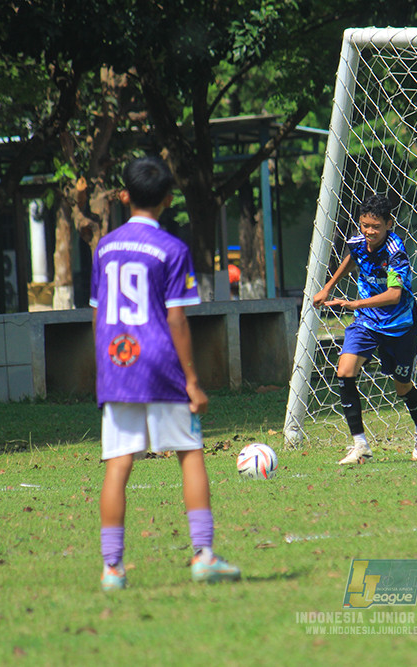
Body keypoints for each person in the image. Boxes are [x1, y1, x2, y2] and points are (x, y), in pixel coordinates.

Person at [89, 156, 240, 591]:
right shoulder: (172, 249)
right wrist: (191, 380)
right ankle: (204, 555)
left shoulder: (105, 249)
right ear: (169, 200)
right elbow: (177, 319)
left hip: (118, 366)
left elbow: (98, 317)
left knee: (118, 464)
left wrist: (105, 370)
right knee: (189, 451)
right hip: (161, 365)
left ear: (123, 196)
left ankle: (112, 568)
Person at [313, 192, 417, 465]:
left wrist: (353, 303)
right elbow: (351, 258)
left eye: (376, 227)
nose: (370, 231)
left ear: (389, 224)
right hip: (367, 322)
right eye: (365, 225)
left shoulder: (395, 251)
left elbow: (394, 295)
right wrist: (327, 287)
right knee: (344, 370)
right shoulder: (358, 241)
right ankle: (360, 445)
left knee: (402, 388)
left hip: (400, 326)